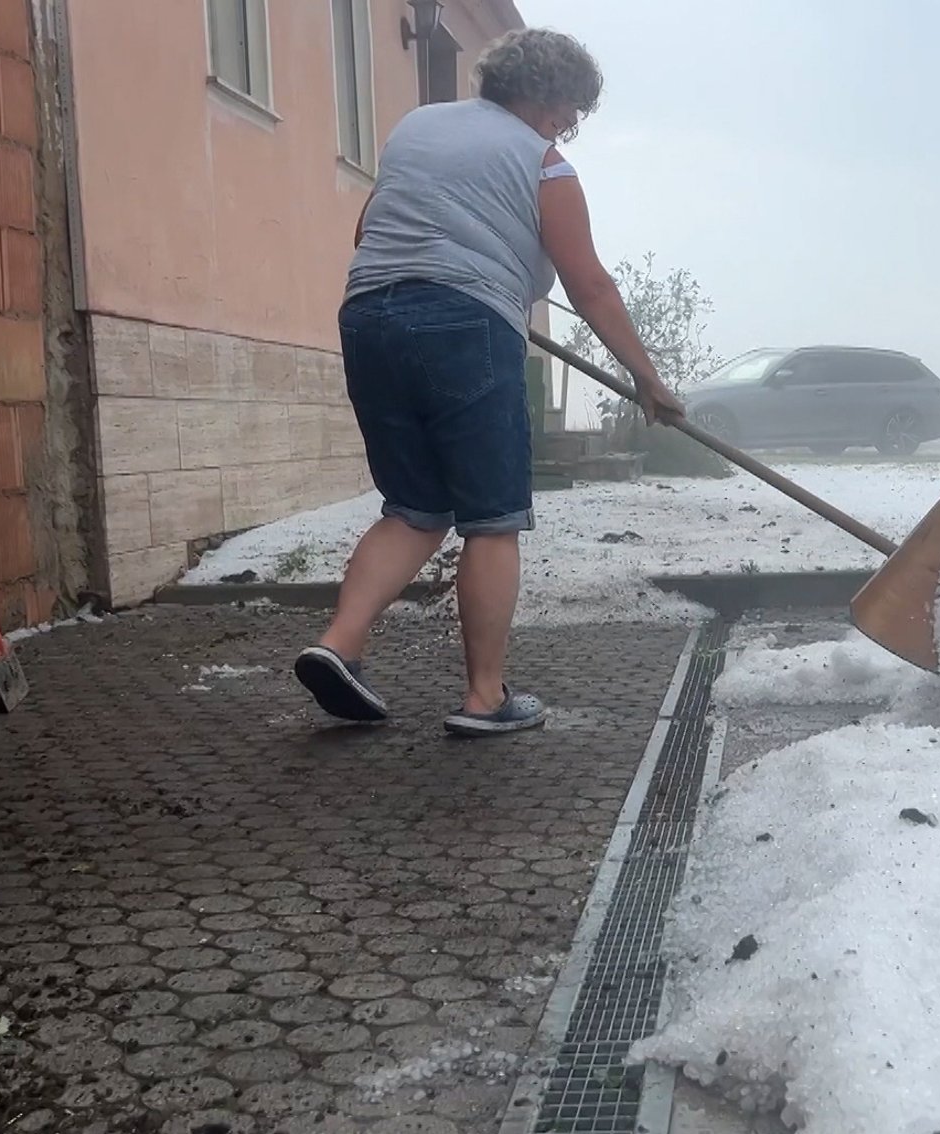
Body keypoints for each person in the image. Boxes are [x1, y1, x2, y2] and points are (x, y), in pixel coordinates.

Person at [293, 28, 684, 738]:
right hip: (466, 327)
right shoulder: (544, 163)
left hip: (368, 316)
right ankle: (483, 697)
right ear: (548, 98)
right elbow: (589, 284)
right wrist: (647, 377)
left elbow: (368, 230)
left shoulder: (418, 128)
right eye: (570, 112)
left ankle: (339, 643)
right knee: (492, 519)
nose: (569, 126)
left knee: (413, 506)